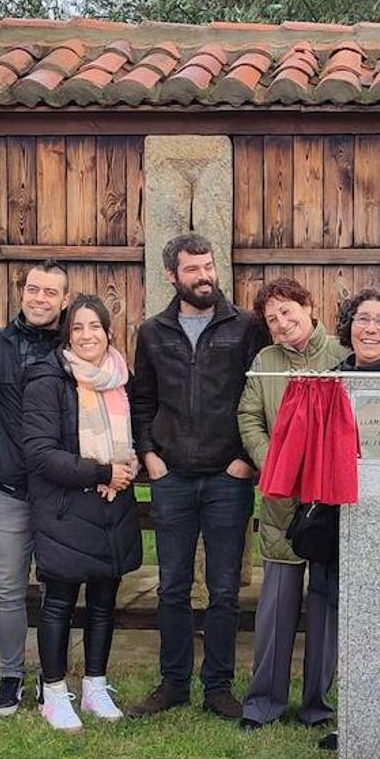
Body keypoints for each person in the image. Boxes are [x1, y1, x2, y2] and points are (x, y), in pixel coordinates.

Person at [127, 233, 263, 720]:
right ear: (171, 275)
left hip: (229, 476)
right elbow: (142, 400)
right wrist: (149, 455)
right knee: (172, 586)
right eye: (193, 269)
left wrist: (247, 458)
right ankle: (173, 683)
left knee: (225, 588)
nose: (205, 276)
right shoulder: (152, 332)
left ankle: (219, 686)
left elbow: (259, 395)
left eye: (208, 266)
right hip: (173, 477)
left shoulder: (245, 325)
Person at [301, 287, 380, 752]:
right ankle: (353, 720)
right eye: (362, 319)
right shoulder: (332, 380)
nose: (370, 328)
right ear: (350, 327)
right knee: (349, 624)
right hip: (340, 518)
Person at [23, 293, 142, 731]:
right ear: (66, 334)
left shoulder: (120, 378)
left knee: (104, 603)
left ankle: (95, 685)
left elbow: (135, 436)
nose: (87, 335)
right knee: (59, 602)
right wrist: (102, 471)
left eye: (95, 327)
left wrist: (125, 469)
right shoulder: (47, 380)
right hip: (65, 507)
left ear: (108, 332)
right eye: (78, 328)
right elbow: (39, 453)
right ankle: (53, 692)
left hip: (113, 504)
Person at [237, 278, 349, 731]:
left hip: (328, 503)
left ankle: (317, 704)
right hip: (283, 500)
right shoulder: (265, 361)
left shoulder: (343, 356)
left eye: (288, 312)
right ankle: (263, 703)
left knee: (325, 606)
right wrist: (273, 463)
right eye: (272, 319)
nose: (283, 324)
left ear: (308, 305)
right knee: (277, 607)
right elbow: (249, 415)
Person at [0, 259, 71, 715]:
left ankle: (50, 677)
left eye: (50, 292)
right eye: (34, 289)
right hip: (10, 488)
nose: (40, 299)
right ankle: (10, 675)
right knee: (8, 588)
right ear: (22, 293)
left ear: (64, 300)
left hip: (60, 493)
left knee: (58, 587)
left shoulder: (77, 346)